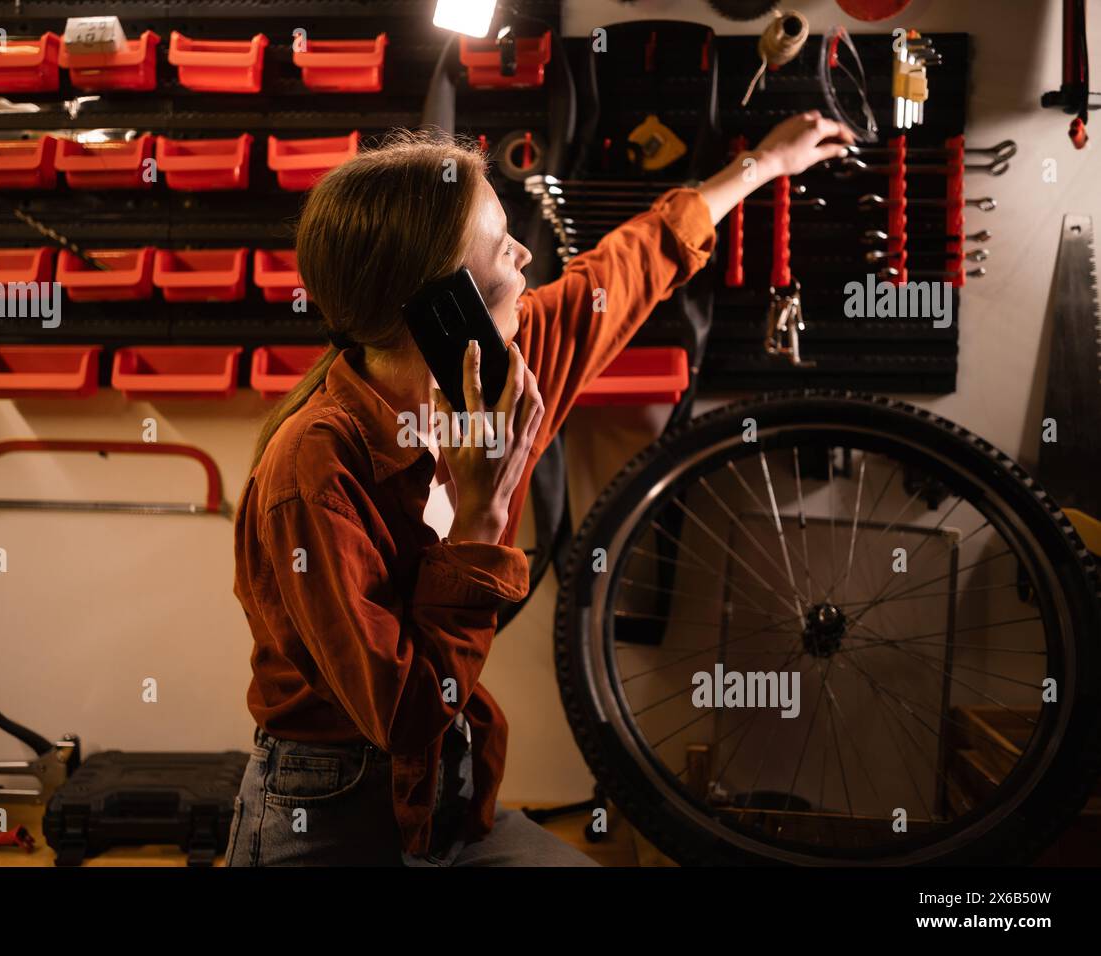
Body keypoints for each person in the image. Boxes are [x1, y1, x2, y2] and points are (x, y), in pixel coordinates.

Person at [228, 112, 855, 867]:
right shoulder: (315, 471)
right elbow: (405, 715)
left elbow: (623, 269)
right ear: (441, 303)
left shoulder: (500, 384)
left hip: (440, 796)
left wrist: (762, 164)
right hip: (329, 809)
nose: (526, 254)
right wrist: (483, 514)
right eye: (501, 246)